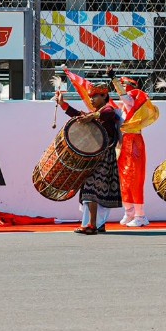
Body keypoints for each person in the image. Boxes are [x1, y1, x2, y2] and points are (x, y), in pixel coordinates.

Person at [54, 80, 122, 235]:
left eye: (95, 96)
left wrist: (93, 116)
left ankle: (91, 225)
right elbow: (80, 116)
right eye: (90, 96)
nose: (91, 99)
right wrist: (63, 105)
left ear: (105, 95)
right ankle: (98, 224)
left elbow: (109, 113)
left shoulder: (108, 110)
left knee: (91, 189)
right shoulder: (96, 114)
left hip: (104, 158)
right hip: (97, 157)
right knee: (93, 190)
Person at [112, 73, 160, 227]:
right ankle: (129, 211)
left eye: (129, 89)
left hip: (134, 143)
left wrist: (113, 80)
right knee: (123, 178)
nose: (127, 93)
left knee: (135, 179)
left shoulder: (133, 104)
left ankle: (140, 215)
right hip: (123, 144)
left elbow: (125, 97)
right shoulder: (122, 110)